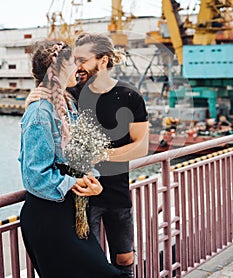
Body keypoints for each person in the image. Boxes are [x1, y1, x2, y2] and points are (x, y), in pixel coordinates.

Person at [26, 33, 149, 278]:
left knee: (123, 256)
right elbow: (39, 162)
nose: (79, 65)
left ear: (103, 61)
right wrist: (33, 98)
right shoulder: (69, 96)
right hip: (76, 197)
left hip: (109, 188)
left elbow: (141, 147)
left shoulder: (128, 95)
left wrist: (94, 160)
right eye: (74, 60)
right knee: (91, 263)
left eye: (83, 59)